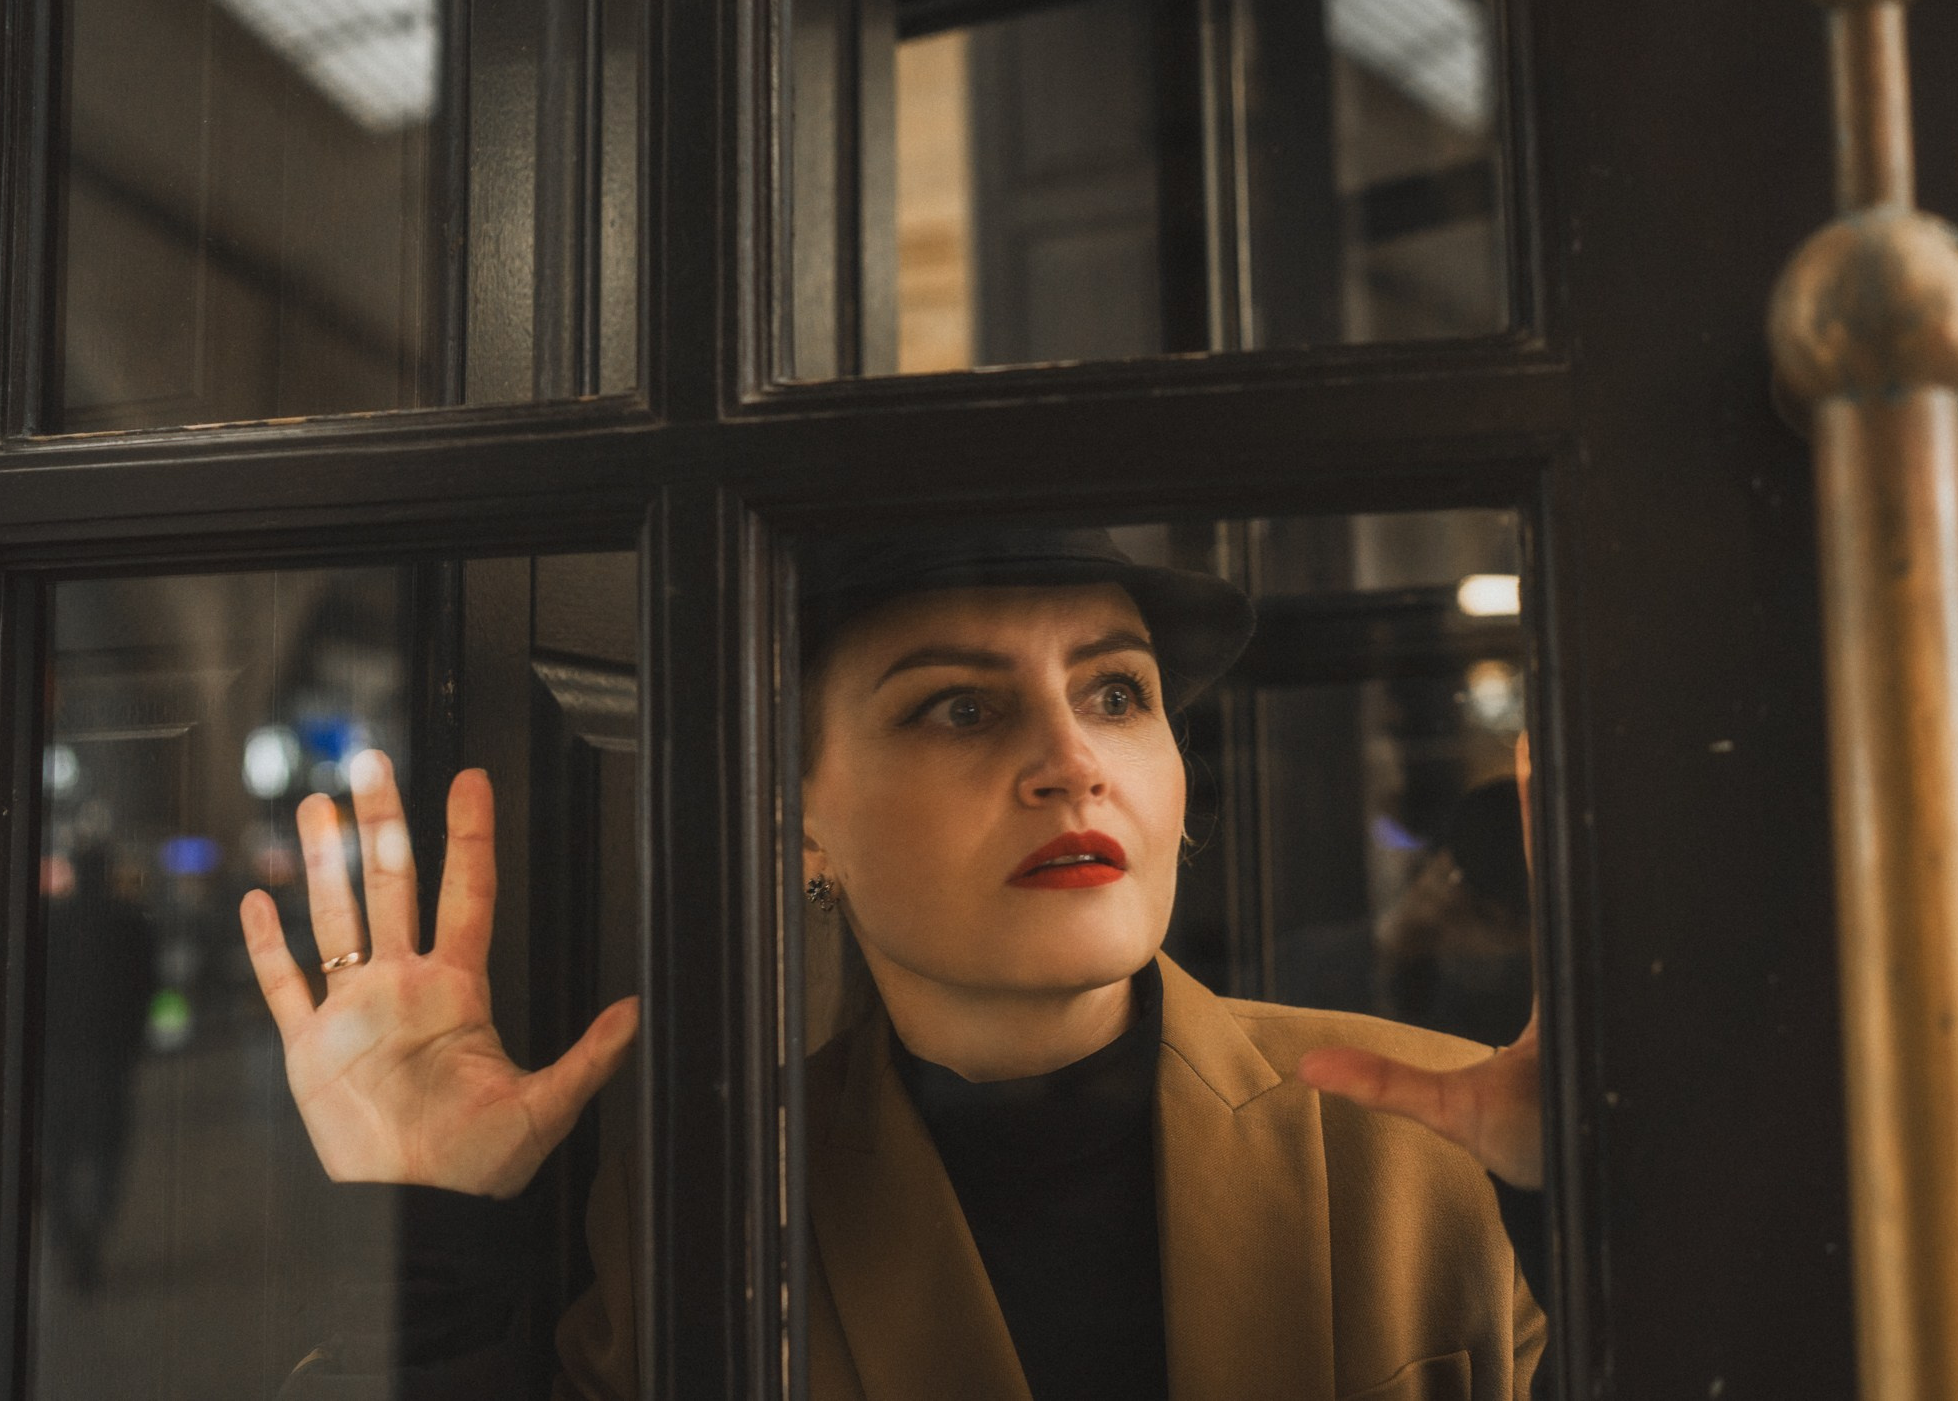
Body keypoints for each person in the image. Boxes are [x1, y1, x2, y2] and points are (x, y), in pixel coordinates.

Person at [241, 528, 1546, 1401]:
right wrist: (426, 1233)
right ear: (801, 820)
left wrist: (1592, 1212)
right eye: (961, 707)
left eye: (1116, 694)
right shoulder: (710, 1206)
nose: (1071, 761)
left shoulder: (1435, 1122)